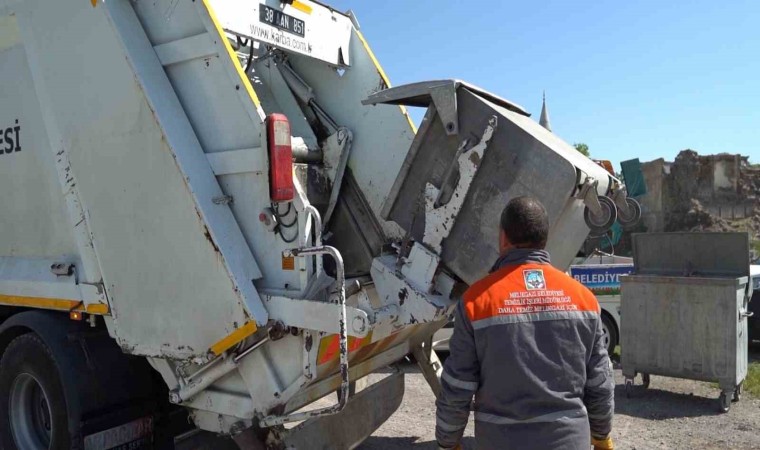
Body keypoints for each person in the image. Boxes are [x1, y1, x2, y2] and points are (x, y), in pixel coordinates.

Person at [435, 196, 615, 450]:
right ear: (544, 239)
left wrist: (448, 442)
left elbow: (458, 387)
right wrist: (601, 436)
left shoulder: (476, 302)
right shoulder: (584, 299)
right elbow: (600, 382)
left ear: (504, 238)